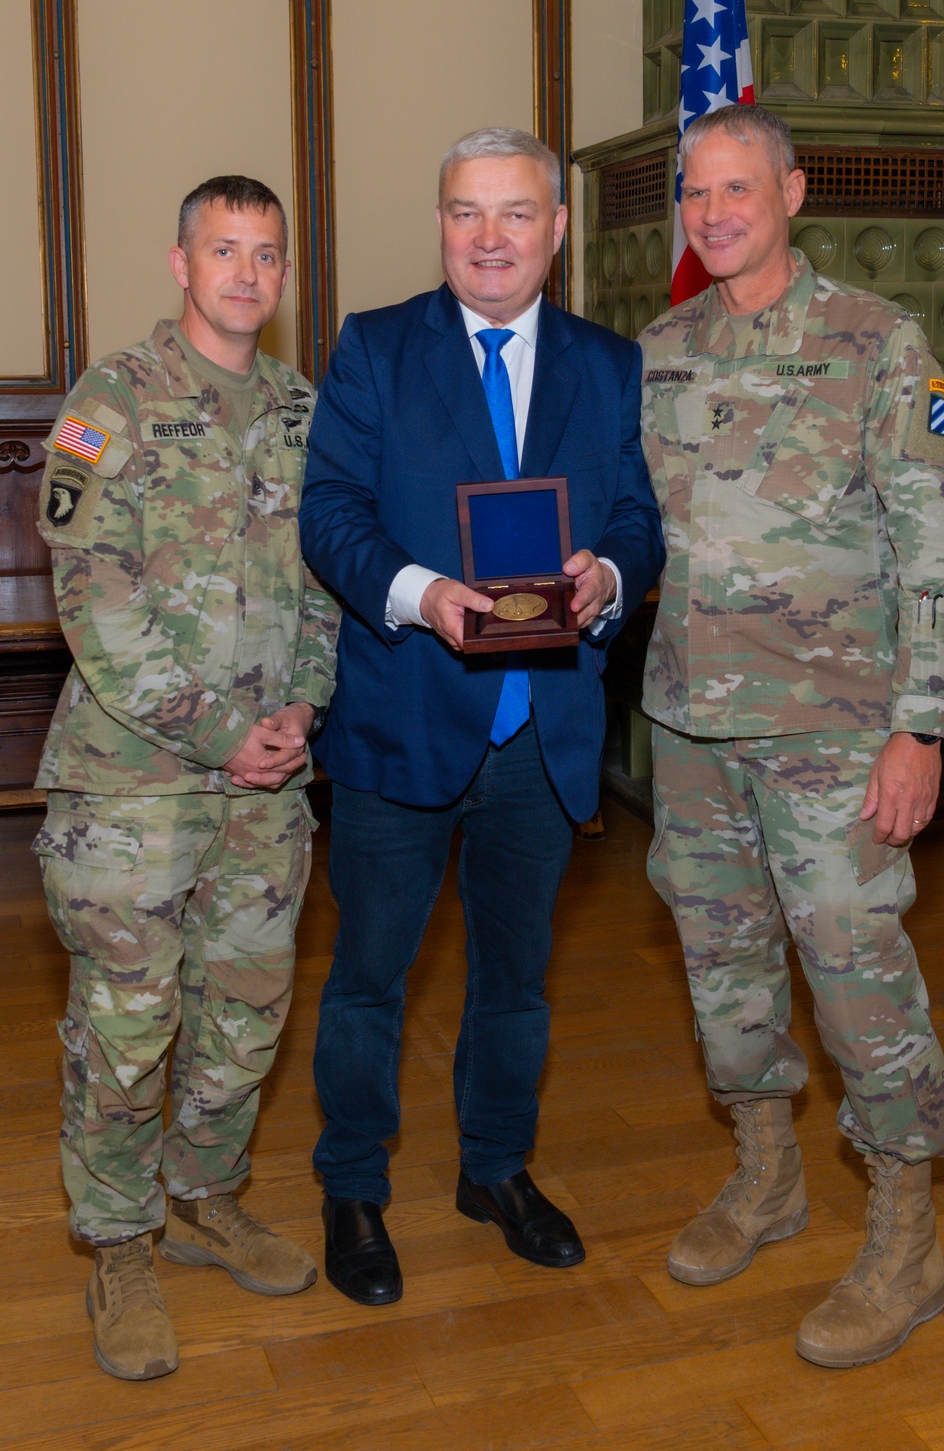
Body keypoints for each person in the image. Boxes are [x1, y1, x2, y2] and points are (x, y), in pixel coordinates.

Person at [639, 104, 944, 1368]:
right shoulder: (663, 346)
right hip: (690, 724)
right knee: (724, 972)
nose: (715, 211)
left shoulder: (879, 345)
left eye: (739, 187)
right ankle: (767, 1174)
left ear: (792, 189)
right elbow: (643, 530)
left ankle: (907, 1235)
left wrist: (920, 728)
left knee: (856, 979)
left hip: (837, 733)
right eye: (696, 192)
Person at [300, 127, 664, 1304]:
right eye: (466, 212)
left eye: (516, 213)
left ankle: (495, 1168)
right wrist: (418, 593)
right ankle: (352, 1187)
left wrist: (610, 574)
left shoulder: (609, 364)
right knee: (370, 977)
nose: (490, 236)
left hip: (541, 732)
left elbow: (639, 514)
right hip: (402, 719)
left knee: (515, 980)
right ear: (441, 224)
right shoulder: (376, 347)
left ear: (557, 229)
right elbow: (331, 512)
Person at [34, 176, 341, 1382]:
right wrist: (222, 731)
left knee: (246, 1006)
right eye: (225, 249)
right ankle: (117, 1241)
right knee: (126, 1026)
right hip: (136, 784)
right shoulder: (111, 402)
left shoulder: (302, 408)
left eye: (267, 253)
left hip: (271, 779)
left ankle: (205, 1193)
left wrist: (305, 702)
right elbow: (92, 598)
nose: (248, 273)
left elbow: (324, 581)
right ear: (180, 262)